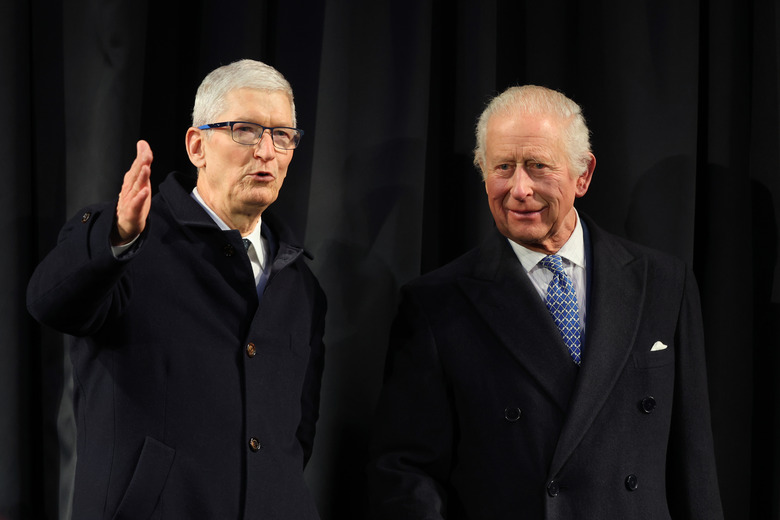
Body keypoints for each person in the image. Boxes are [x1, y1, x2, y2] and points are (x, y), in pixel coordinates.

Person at [367, 85, 723, 519]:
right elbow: (407, 472)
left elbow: (694, 461)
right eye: (503, 167)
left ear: (583, 174)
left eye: (537, 166)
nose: (519, 188)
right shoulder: (435, 303)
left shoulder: (664, 283)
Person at [27, 59, 326, 519]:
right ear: (197, 145)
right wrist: (119, 236)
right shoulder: (129, 242)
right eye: (245, 130)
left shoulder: (300, 283)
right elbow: (50, 302)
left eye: (282, 135)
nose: (266, 150)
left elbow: (295, 434)